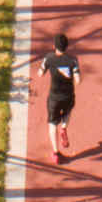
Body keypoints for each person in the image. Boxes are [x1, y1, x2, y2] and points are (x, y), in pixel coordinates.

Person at [33, 34, 81, 164]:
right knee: (68, 112)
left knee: (52, 123)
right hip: (68, 95)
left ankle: (55, 153)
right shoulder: (73, 60)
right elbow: (78, 80)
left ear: (54, 46)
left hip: (54, 98)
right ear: (67, 46)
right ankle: (64, 127)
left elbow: (40, 74)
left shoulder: (49, 58)